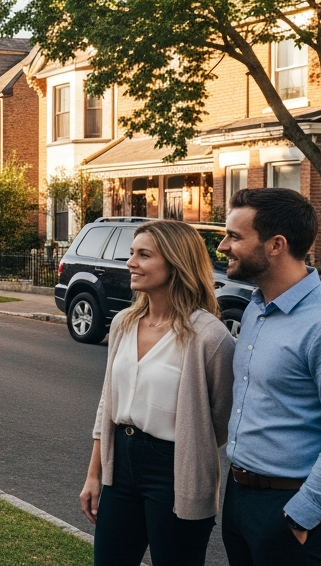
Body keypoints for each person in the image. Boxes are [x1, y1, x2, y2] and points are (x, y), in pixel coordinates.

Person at [216, 188, 321, 566]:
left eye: (235, 236)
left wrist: (300, 515)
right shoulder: (257, 309)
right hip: (242, 498)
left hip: (297, 509)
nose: (223, 246)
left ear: (276, 245)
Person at [80, 220, 236, 565]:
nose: (130, 262)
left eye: (143, 255)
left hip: (174, 469)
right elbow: (108, 402)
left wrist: (186, 445)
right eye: (132, 253)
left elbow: (221, 420)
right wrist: (95, 475)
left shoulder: (209, 337)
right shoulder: (123, 322)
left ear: (176, 263)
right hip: (120, 462)